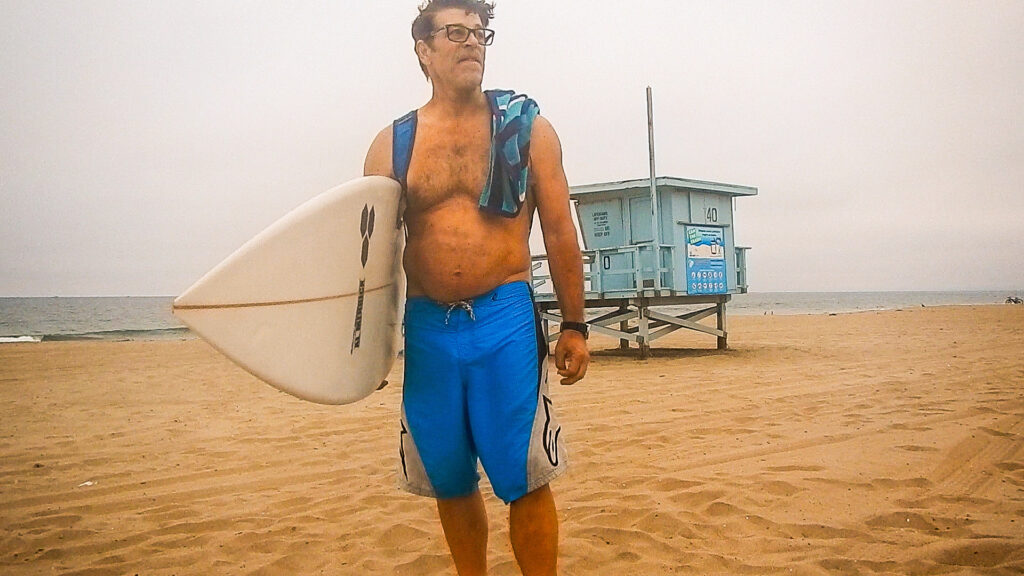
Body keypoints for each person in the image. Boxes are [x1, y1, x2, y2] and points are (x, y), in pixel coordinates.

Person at [363, 1, 589, 574]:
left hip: (505, 316)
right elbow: (370, 255)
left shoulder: (527, 128)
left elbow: (561, 230)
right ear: (423, 49)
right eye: (456, 32)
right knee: (448, 475)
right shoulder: (393, 143)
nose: (472, 43)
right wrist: (366, 348)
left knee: (524, 475)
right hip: (428, 328)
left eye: (480, 32)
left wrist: (575, 325)